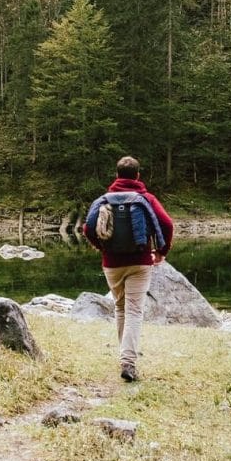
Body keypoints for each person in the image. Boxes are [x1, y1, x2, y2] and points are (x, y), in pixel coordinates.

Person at [83, 156, 174, 382]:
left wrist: (101, 247)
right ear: (138, 176)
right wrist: (162, 251)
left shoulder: (103, 200)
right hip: (140, 262)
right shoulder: (146, 198)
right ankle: (128, 361)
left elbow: (87, 228)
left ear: (116, 175)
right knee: (134, 310)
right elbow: (167, 224)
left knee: (121, 308)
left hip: (112, 264)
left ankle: (125, 356)